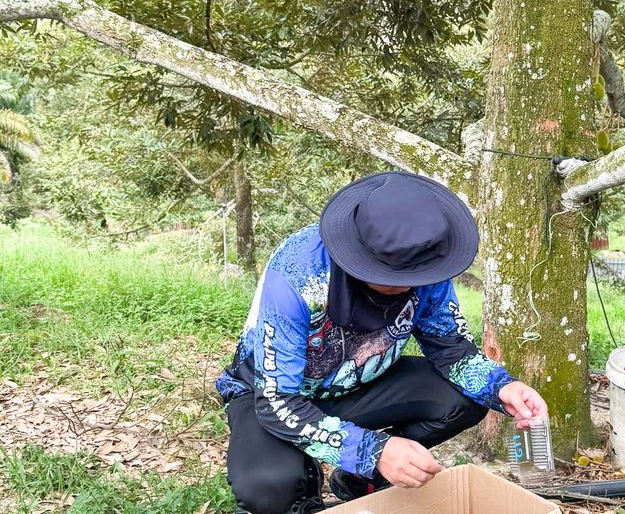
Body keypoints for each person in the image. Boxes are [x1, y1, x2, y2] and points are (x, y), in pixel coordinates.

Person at [215, 172, 548, 514]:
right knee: (267, 488)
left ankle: (361, 481)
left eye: (415, 278)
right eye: (391, 278)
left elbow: (452, 349)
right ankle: (306, 479)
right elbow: (276, 399)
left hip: (357, 384)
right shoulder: (297, 273)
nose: (407, 287)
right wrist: (370, 449)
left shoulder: (427, 263)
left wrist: (502, 387)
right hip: (273, 393)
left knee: (465, 397)